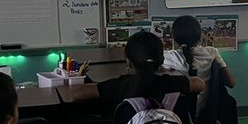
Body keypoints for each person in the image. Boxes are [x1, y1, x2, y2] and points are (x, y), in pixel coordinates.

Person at [66, 29, 204, 106]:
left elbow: (76, 94)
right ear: (161, 61)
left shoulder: (120, 85)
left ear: (128, 63)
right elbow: (199, 83)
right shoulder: (171, 83)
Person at [163, 15, 235, 115]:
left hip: (174, 116)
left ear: (174, 38)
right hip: (201, 114)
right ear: (200, 35)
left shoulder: (167, 58)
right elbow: (231, 83)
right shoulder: (212, 52)